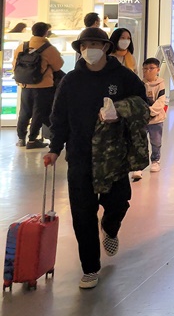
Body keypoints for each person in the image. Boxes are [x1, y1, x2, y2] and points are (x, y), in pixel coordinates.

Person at [43, 27, 147, 289]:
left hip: (113, 156)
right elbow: (59, 117)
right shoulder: (70, 81)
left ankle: (110, 227)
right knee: (82, 213)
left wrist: (119, 110)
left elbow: (143, 103)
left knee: (119, 202)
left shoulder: (123, 77)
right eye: (84, 44)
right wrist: (55, 148)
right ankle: (90, 267)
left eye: (95, 44)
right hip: (79, 156)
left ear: (105, 48)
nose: (89, 49)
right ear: (79, 49)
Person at [14, 21, 64, 149]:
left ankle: (21, 138)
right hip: (43, 86)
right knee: (38, 112)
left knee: (24, 111)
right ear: (46, 32)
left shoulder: (22, 46)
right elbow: (58, 65)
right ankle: (32, 140)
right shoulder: (49, 49)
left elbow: (14, 64)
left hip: (25, 85)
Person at [133, 58, 168, 180]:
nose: (148, 71)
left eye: (151, 68)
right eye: (145, 69)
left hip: (156, 119)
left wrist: (150, 112)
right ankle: (139, 165)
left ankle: (155, 160)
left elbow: (161, 101)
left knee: (156, 141)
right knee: (140, 141)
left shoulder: (161, 85)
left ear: (158, 69)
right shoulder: (140, 85)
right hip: (142, 119)